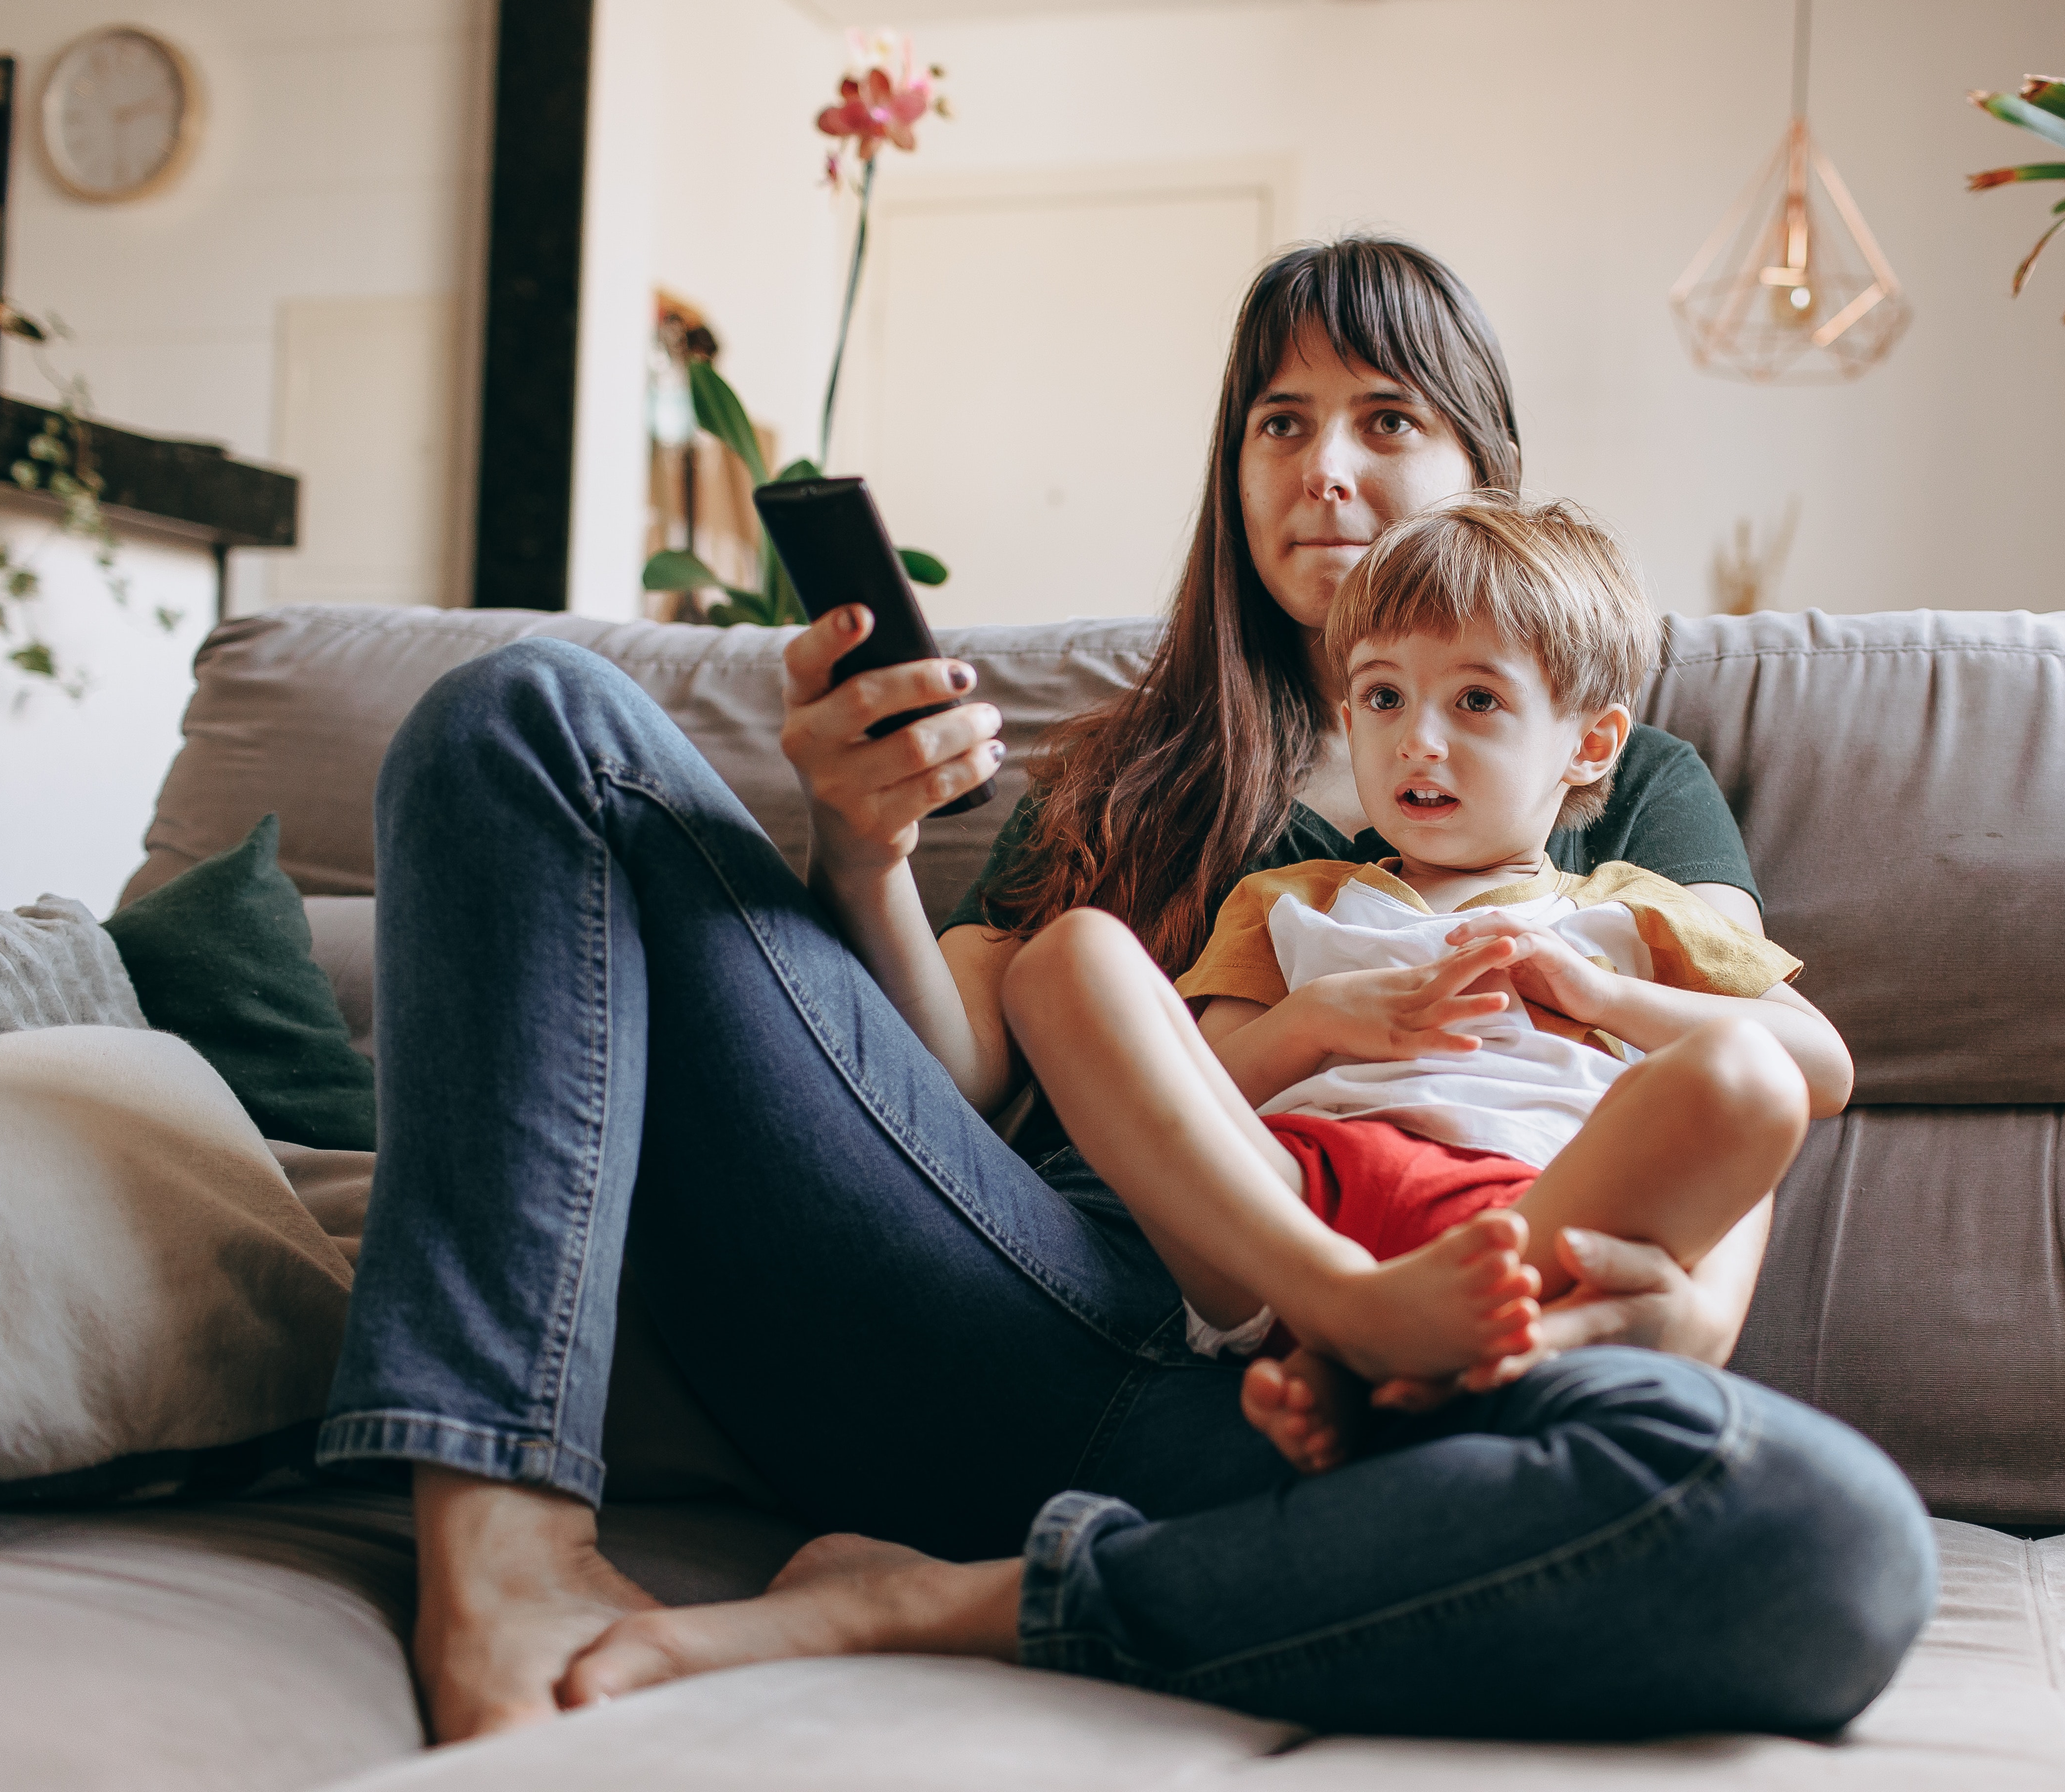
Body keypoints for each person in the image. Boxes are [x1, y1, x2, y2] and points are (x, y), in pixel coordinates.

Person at [319, 235, 1937, 1745]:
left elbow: (1744, 1080)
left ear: (1482, 470)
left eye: (1387, 417)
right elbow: (941, 1085)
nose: (1326, 468)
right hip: (1010, 1307)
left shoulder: (1606, 777)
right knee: (525, 715)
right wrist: (865, 846)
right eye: (1279, 423)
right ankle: (503, 1544)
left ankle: (953, 1602)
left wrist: (1663, 1313)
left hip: (1350, 1411)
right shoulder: (1135, 768)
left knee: (1827, 1536)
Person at [1003, 494, 1842, 1476]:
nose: (1417, 742)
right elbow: (1199, 1096)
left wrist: (1603, 997)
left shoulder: (1635, 913)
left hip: (1519, 1227)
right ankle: (1347, 1319)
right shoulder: (1294, 900)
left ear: (1592, 744)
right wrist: (1319, 1021)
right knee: (1066, 960)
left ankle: (1369, 1375)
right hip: (1289, 1217)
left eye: (1476, 701)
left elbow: (1820, 1068)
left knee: (1750, 1075)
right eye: (1383, 696)